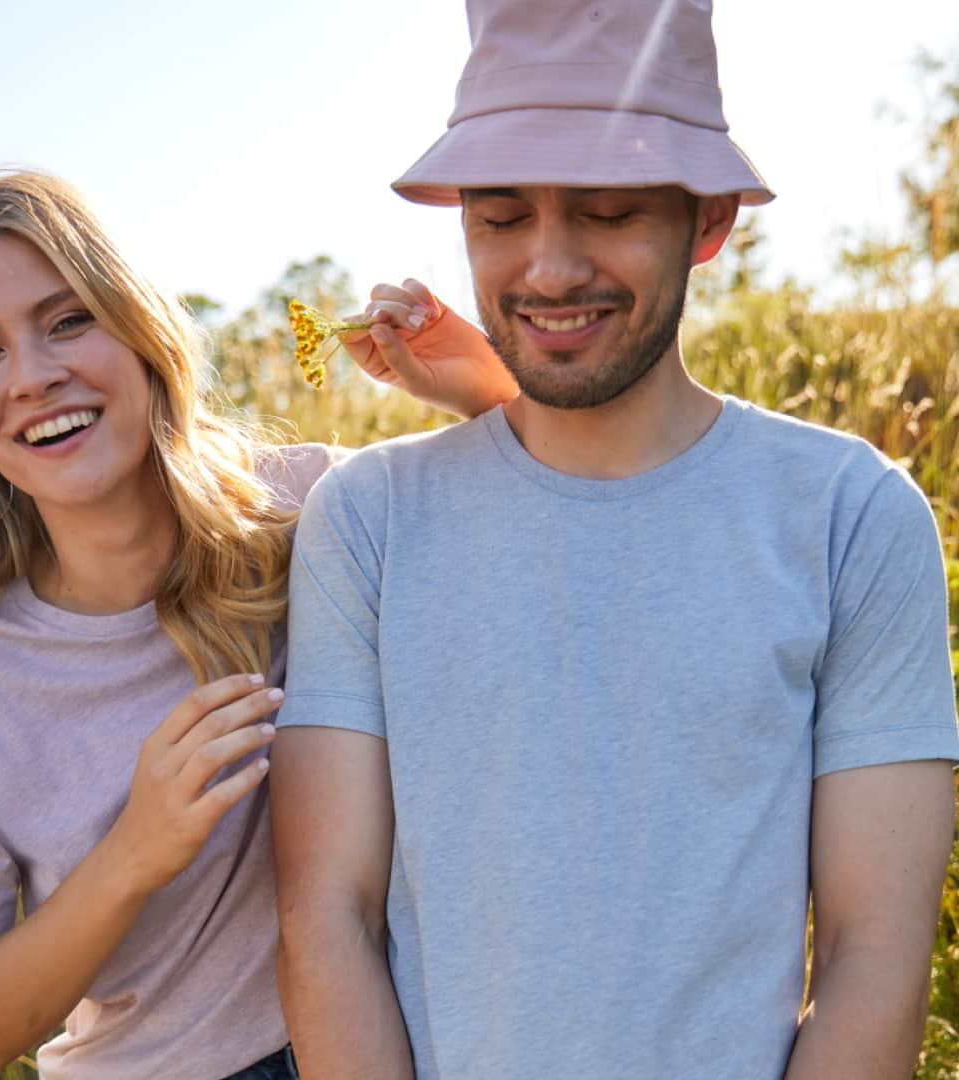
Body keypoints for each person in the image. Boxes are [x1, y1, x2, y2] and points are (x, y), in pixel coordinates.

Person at [270, 2, 959, 1077]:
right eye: (500, 218)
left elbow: (875, 952)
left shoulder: (851, 515)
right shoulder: (368, 520)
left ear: (711, 217)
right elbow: (327, 915)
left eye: (606, 211)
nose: (547, 270)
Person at [0, 170, 513, 1079]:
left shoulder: (313, 511)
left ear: (142, 335)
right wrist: (134, 853)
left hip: (412, 1032)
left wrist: (486, 398)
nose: (33, 376)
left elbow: (561, 563)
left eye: (68, 320)